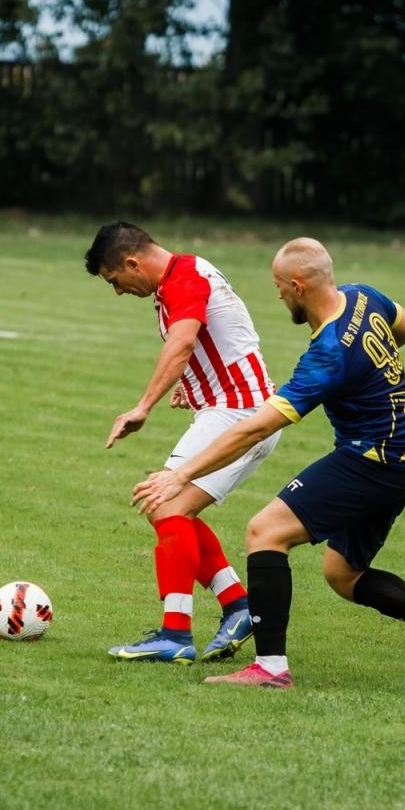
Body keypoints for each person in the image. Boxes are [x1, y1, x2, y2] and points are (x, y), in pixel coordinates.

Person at [132, 238, 405, 689]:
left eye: (279, 287)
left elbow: (254, 428)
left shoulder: (327, 356)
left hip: (371, 461)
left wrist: (180, 473)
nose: (278, 296)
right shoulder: (364, 297)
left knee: (265, 532)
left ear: (297, 286)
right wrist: (370, 366)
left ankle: (271, 669)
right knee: (343, 574)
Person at [84, 222, 281, 664]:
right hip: (237, 408)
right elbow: (224, 343)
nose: (118, 291)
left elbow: (185, 339)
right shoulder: (187, 272)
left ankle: (176, 634)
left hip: (240, 414)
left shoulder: (183, 279)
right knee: (173, 508)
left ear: (133, 262)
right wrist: (193, 388)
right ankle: (238, 606)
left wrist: (143, 406)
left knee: (164, 503)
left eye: (115, 280)